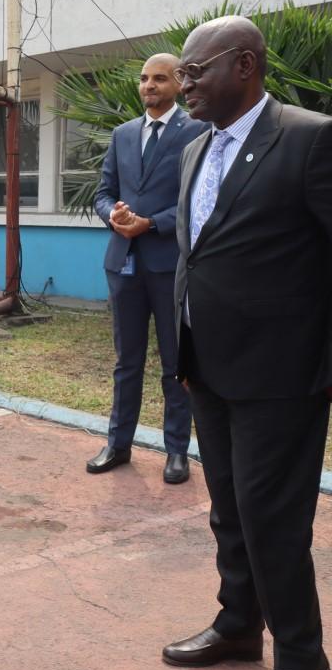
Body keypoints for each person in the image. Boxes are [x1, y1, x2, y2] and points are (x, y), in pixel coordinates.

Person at [162, 15, 332, 670]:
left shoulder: (310, 138)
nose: (184, 84)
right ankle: (238, 625)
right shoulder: (193, 150)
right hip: (208, 365)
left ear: (244, 65)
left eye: (195, 71)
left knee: (272, 518)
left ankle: (305, 665)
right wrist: (186, 347)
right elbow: (195, 253)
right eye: (181, 73)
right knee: (228, 508)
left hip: (283, 377)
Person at [88, 54, 206, 483]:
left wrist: (151, 223)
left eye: (159, 78)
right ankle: (118, 444)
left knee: (175, 362)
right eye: (143, 78)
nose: (148, 85)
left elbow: (197, 201)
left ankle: (176, 451)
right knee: (127, 361)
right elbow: (103, 192)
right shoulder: (123, 134)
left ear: (178, 83)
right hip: (123, 263)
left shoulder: (197, 132)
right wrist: (114, 215)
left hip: (170, 267)